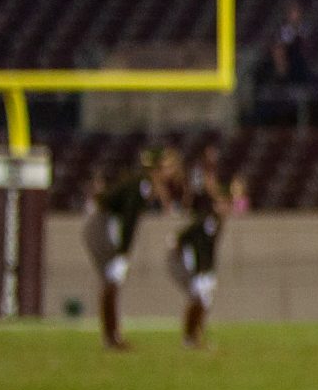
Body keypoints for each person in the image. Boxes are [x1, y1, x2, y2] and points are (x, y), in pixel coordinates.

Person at [82, 148, 178, 351]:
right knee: (111, 281)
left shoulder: (145, 183)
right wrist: (123, 253)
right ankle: (111, 336)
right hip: (103, 225)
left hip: (107, 223)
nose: (171, 172)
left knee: (111, 282)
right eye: (168, 166)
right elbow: (130, 217)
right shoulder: (142, 184)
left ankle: (111, 334)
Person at [166, 170, 241, 350]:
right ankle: (190, 337)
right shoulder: (208, 219)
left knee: (202, 302)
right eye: (224, 203)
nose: (226, 207)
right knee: (198, 300)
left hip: (203, 266)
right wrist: (191, 262)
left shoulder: (216, 221)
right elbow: (182, 238)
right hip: (194, 264)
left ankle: (195, 335)